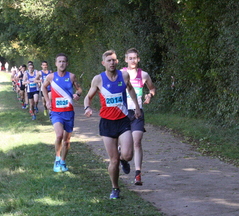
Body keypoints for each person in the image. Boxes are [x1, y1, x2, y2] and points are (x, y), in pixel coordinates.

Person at [84, 50, 141, 199]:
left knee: (128, 155)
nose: (112, 63)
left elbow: (131, 89)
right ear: (104, 63)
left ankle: (124, 160)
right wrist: (87, 107)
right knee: (113, 160)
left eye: (114, 60)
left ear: (117, 62)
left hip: (123, 121)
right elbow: (88, 97)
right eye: (108, 60)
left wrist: (136, 106)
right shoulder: (98, 79)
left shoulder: (124, 75)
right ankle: (115, 188)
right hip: (107, 123)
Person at [42, 53, 82, 172]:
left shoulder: (71, 76)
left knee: (67, 140)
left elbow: (79, 88)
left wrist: (78, 94)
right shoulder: (51, 77)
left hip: (69, 112)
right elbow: (43, 87)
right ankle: (57, 159)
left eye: (64, 61)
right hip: (56, 112)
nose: (61, 64)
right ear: (55, 64)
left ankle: (63, 162)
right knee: (59, 135)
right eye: (59, 61)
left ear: (67, 63)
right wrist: (48, 101)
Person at [121, 48, 156, 186]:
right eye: (130, 58)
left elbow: (152, 88)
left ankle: (138, 174)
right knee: (125, 146)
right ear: (126, 60)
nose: (133, 60)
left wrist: (149, 95)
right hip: (123, 113)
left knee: (137, 142)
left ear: (138, 59)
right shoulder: (121, 74)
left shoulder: (144, 75)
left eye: (135, 58)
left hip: (138, 112)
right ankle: (123, 159)